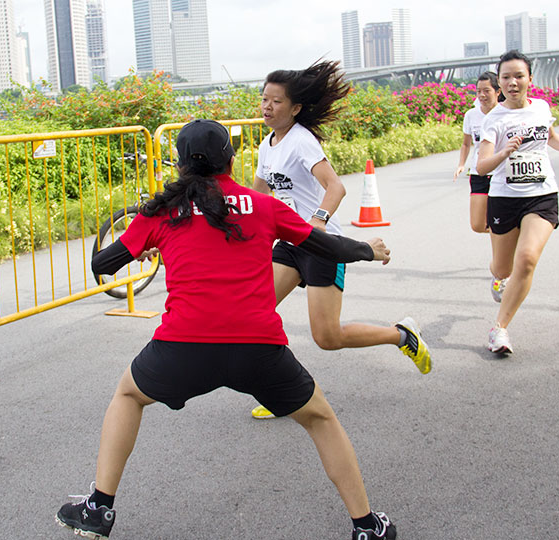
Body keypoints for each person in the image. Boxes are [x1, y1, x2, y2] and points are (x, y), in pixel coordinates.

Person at [55, 119, 398, 540]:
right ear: (231, 160)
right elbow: (324, 244)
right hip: (258, 347)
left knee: (128, 394)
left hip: (183, 346)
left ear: (180, 164)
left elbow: (102, 265)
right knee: (320, 419)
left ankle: (99, 509)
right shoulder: (264, 205)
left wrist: (146, 244)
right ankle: (367, 526)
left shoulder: (161, 211)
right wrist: (368, 249)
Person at [249, 60, 430, 419]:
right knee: (254, 313)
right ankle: (284, 392)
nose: (267, 107)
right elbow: (259, 195)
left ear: (296, 107)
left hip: (319, 245)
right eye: (264, 99)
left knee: (327, 338)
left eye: (276, 101)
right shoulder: (267, 145)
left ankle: (401, 335)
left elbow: (336, 187)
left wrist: (316, 221)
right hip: (289, 245)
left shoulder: (302, 140)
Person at [476, 51, 559, 354]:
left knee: (527, 259)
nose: (513, 82)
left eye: (519, 76)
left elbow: (551, 137)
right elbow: (482, 166)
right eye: (506, 77)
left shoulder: (541, 107)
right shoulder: (494, 119)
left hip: (542, 195)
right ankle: (497, 278)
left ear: (530, 78)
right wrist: (504, 153)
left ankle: (499, 329)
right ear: (499, 83)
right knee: (503, 268)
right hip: (505, 198)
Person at [454, 71, 501, 233]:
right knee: (478, 225)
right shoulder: (471, 115)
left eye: (486, 91)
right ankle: (505, 237)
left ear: (498, 91)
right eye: (478, 91)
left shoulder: (505, 113)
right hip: (478, 173)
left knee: (501, 220)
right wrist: (461, 164)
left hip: (501, 174)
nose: (482, 95)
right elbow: (466, 144)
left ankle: (504, 248)